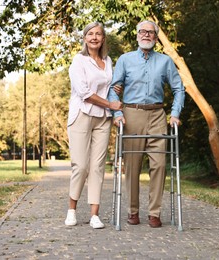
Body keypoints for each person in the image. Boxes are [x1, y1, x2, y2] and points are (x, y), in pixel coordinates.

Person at [108, 20, 185, 228]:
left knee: (159, 164)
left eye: (150, 32)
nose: (146, 35)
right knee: (132, 166)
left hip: (158, 115)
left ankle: (154, 212)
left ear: (156, 36)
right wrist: (116, 113)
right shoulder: (125, 60)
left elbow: (179, 88)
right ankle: (133, 211)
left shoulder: (165, 61)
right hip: (131, 114)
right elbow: (114, 88)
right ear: (137, 35)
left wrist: (175, 113)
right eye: (142, 31)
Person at [65, 22, 122, 229]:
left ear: (103, 38)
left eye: (98, 34)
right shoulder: (79, 61)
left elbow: (112, 86)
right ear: (85, 38)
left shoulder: (108, 61)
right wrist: (111, 104)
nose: (95, 37)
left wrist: (114, 106)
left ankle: (94, 215)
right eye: (90, 34)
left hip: (103, 118)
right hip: (82, 114)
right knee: (80, 165)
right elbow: (85, 93)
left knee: (97, 166)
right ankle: (72, 210)